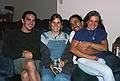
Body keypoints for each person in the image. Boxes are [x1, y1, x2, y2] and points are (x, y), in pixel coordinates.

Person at [2, 11, 51, 81]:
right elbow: (5, 51)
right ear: (22, 20)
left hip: (36, 62)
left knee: (25, 74)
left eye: (33, 20)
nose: (31, 23)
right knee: (30, 63)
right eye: (28, 20)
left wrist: (32, 55)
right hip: (18, 62)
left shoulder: (38, 35)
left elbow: (41, 52)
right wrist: (22, 54)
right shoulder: (12, 34)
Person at [70, 10, 115, 81]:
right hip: (83, 60)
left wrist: (89, 44)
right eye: (91, 21)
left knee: (101, 77)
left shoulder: (101, 32)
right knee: (107, 71)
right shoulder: (80, 33)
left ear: (99, 22)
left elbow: (104, 48)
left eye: (96, 21)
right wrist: (91, 57)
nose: (93, 24)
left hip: (100, 59)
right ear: (87, 21)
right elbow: (73, 49)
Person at [41, 13, 74, 81]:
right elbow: (44, 55)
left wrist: (64, 62)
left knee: (60, 78)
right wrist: (51, 65)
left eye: (58, 23)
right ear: (50, 23)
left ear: (61, 24)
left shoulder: (67, 37)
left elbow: (69, 54)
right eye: (54, 22)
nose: (56, 25)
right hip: (48, 65)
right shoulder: (44, 36)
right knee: (46, 78)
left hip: (65, 66)